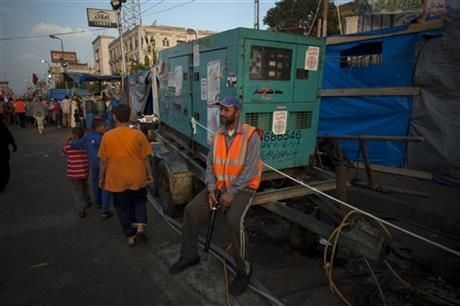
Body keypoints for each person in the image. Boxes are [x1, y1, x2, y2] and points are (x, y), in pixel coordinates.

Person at [169, 97, 262, 296]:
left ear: (237, 112)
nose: (222, 114)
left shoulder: (251, 135)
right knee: (191, 211)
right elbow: (210, 164)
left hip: (243, 188)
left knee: (234, 221)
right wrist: (211, 190)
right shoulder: (218, 134)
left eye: (226, 110)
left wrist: (230, 193)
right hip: (219, 186)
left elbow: (250, 170)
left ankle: (244, 271)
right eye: (221, 110)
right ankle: (189, 256)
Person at [98, 104, 153, 246]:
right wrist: (149, 174)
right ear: (129, 117)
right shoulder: (138, 135)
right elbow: (146, 158)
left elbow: (104, 161)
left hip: (117, 179)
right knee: (140, 202)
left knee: (123, 207)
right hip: (137, 176)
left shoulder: (107, 136)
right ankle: (140, 226)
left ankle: (130, 236)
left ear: (114, 117)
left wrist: (101, 177)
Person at [71, 118, 113, 219]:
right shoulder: (103, 138)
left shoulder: (87, 137)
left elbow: (75, 144)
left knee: (96, 183)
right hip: (103, 165)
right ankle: (105, 209)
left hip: (93, 165)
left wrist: (70, 141)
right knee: (105, 185)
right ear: (98, 127)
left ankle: (98, 202)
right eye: (104, 126)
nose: (106, 128)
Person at [62, 127, 92, 218]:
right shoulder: (85, 145)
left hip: (73, 173)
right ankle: (88, 201)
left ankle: (81, 209)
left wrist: (67, 141)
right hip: (84, 171)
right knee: (85, 186)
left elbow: (63, 153)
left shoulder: (69, 146)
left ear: (73, 135)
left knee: (77, 190)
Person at [0, 120, 17, 192]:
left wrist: (13, 143)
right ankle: (2, 184)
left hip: (2, 149)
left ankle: (2, 183)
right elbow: (7, 133)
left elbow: (6, 133)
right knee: (5, 167)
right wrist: (13, 143)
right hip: (2, 150)